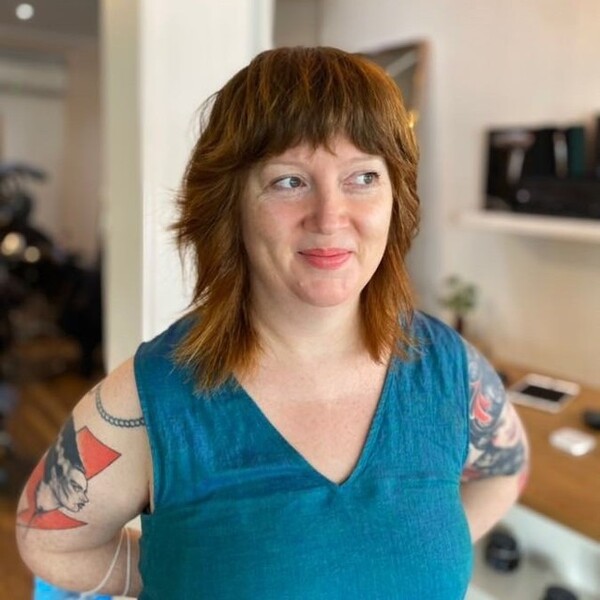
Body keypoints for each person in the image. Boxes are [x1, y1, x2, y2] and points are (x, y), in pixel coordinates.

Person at [16, 46, 528, 599]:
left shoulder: (448, 369)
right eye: (289, 181)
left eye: (362, 177)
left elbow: (507, 471)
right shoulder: (152, 398)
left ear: (395, 197)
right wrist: (175, 572)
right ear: (230, 203)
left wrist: (431, 548)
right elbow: (50, 541)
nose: (331, 217)